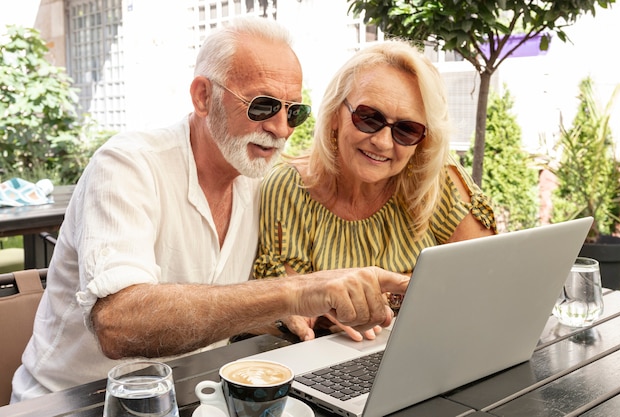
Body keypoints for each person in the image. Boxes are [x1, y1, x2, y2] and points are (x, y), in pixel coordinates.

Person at [10, 17, 409, 402]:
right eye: (264, 105)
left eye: (294, 111)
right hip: (73, 402)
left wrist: (301, 310)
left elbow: (220, 304)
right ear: (203, 96)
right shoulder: (128, 165)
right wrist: (295, 292)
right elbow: (118, 324)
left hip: (189, 393)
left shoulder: (263, 180)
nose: (282, 128)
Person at [253, 39, 497, 342]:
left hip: (435, 345)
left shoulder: (437, 178)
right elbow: (296, 309)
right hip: (334, 362)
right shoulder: (290, 188)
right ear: (333, 116)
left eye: (407, 130)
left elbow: (488, 280)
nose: (382, 142)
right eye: (368, 118)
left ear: (423, 139)